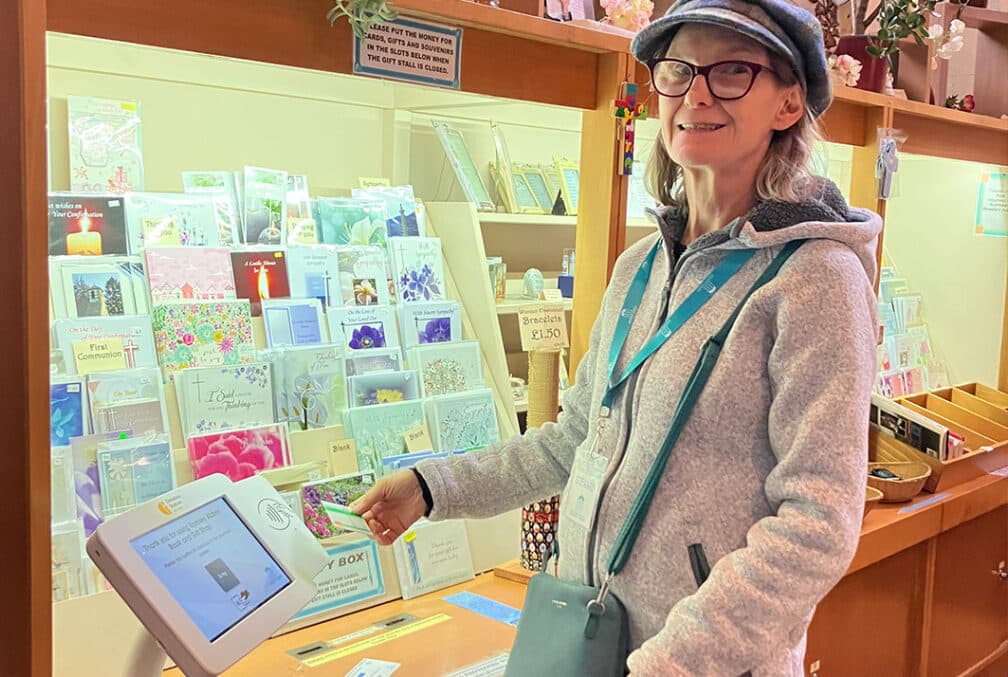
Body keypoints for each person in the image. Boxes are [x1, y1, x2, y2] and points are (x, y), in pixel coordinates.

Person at [350, 0, 880, 673]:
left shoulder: (816, 279)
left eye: (734, 72)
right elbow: (573, 442)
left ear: (788, 104)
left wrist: (671, 661)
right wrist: (433, 486)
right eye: (678, 70)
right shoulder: (638, 267)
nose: (697, 93)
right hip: (587, 643)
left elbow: (819, 522)